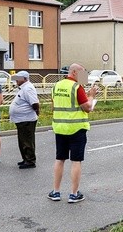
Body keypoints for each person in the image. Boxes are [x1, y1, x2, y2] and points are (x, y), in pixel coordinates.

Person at [48, 63, 98, 203]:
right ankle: (74, 194)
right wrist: (92, 96)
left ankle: (56, 192)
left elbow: (54, 106)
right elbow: (87, 108)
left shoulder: (56, 86)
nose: (84, 77)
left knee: (60, 159)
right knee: (76, 161)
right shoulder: (76, 87)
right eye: (83, 73)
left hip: (60, 128)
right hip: (76, 129)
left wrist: (85, 96)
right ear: (75, 72)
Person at [9, 71, 40, 169]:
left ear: (25, 79)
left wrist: (36, 111)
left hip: (27, 119)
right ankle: (25, 158)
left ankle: (30, 160)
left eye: (18, 78)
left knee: (27, 140)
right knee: (22, 140)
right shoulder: (23, 88)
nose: (16, 80)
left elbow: (34, 103)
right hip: (21, 119)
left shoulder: (28, 88)